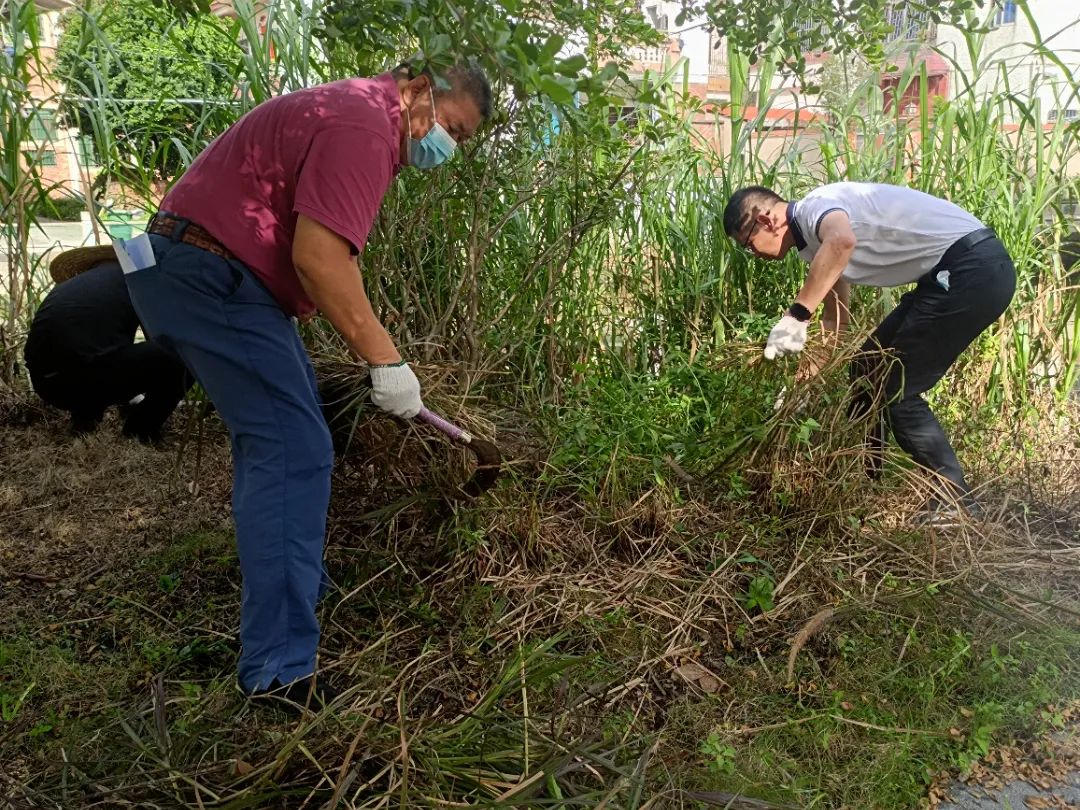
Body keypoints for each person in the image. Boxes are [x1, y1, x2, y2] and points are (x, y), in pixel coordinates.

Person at [123, 62, 492, 708]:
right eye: (448, 125)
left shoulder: (358, 115)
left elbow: (327, 256)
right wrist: (386, 360)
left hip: (212, 275)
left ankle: (296, 592)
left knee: (291, 437)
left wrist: (381, 354)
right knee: (294, 449)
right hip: (213, 277)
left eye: (458, 138)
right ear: (418, 89)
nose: (443, 145)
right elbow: (319, 258)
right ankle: (279, 672)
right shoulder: (363, 124)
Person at [723, 182, 1017, 523]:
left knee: (896, 388)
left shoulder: (815, 208)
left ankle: (954, 500)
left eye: (747, 244)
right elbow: (835, 325)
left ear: (765, 220)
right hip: (952, 273)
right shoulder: (814, 244)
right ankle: (868, 480)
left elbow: (842, 241)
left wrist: (797, 314)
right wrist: (798, 389)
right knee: (867, 366)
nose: (753, 254)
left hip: (972, 268)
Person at [24, 246, 194, 443]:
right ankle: (140, 430)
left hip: (45, 385)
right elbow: (158, 337)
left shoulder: (77, 286)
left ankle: (84, 422)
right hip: (86, 380)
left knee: (93, 349)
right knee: (184, 353)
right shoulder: (135, 280)